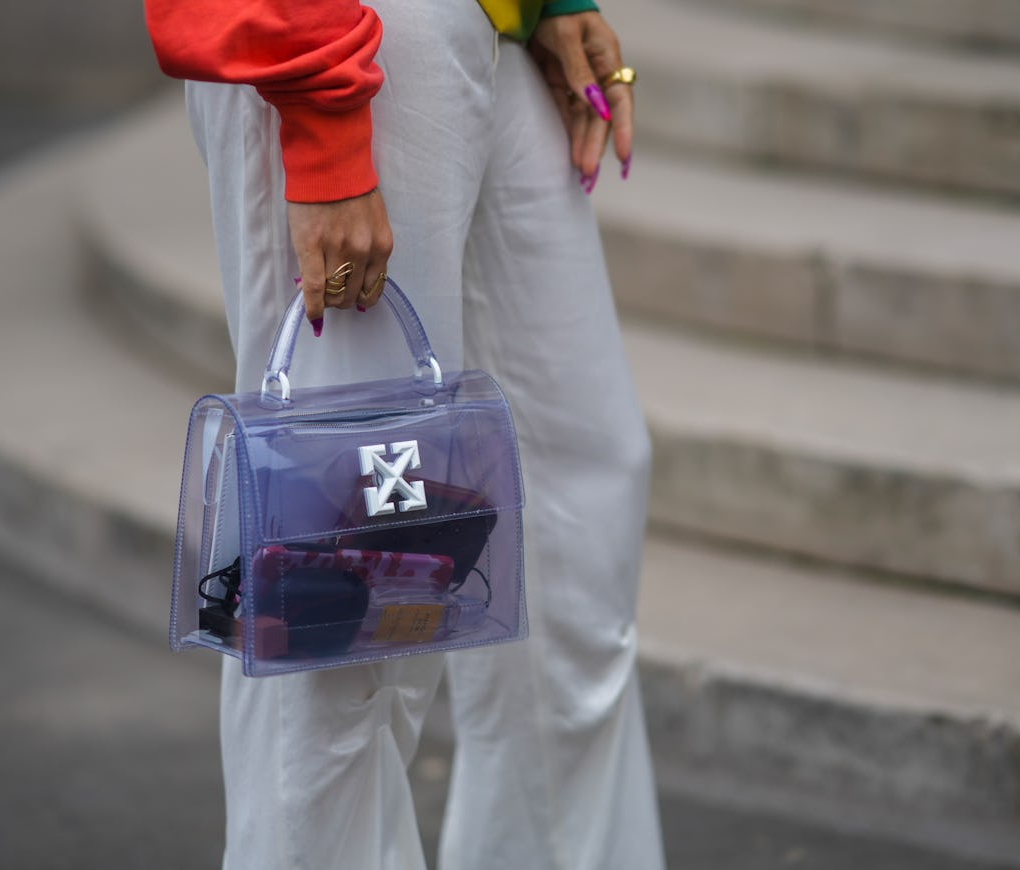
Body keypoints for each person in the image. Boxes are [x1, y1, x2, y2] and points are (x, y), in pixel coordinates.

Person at [144, 1, 664, 867]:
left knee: (583, 520)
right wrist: (322, 122)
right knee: (334, 606)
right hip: (340, 38)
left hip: (490, 28)